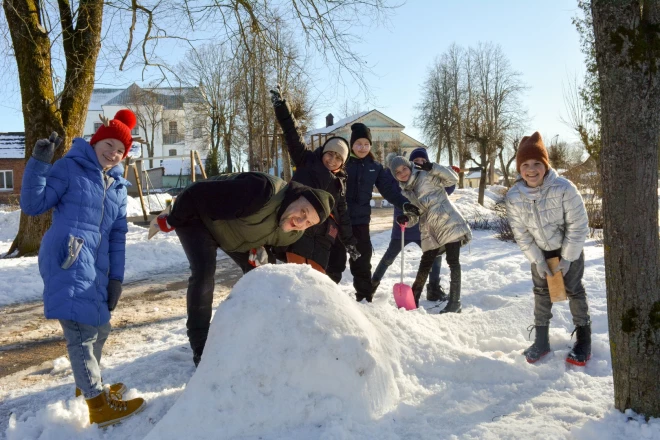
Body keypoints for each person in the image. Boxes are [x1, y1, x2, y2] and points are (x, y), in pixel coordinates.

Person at [20, 110, 146, 428]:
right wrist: (39, 163)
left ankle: (88, 385)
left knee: (100, 328)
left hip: (98, 268)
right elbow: (33, 205)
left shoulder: (117, 186)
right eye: (110, 144)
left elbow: (117, 237)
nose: (114, 152)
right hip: (68, 260)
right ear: (97, 140)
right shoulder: (70, 168)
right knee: (82, 333)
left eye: (121, 149)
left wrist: (116, 278)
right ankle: (97, 404)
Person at [153, 171, 334, 366]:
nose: (300, 222)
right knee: (204, 272)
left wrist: (261, 252)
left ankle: (259, 335)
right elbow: (195, 193)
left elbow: (274, 247)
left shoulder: (294, 233)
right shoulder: (262, 191)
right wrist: (172, 219)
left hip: (234, 234)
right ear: (297, 196)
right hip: (197, 216)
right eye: (303, 212)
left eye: (308, 223)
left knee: (266, 275)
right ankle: (201, 348)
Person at [505, 132, 591, 365]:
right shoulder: (514, 196)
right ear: (519, 168)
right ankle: (541, 341)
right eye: (525, 164)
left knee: (573, 291)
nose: (531, 169)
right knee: (542, 294)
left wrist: (568, 258)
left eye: (537, 163)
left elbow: (579, 224)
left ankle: (584, 340)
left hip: (567, 251)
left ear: (545, 165)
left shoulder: (564, 188)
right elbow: (521, 233)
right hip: (540, 253)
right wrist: (538, 260)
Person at [270, 87, 360, 272]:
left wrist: (350, 243)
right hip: (298, 228)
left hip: (321, 238)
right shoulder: (306, 160)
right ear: (323, 152)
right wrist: (282, 108)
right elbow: (292, 134)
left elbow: (342, 215)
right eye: (330, 154)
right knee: (295, 275)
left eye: (338, 158)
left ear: (342, 163)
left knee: (333, 269)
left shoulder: (339, 183)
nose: (332, 160)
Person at [326, 122, 408, 302]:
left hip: (361, 223)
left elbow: (388, 190)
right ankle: (326, 299)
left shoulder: (375, 167)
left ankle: (364, 299)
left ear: (370, 145)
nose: (362, 148)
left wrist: (405, 204)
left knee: (362, 262)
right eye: (358, 144)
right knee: (335, 261)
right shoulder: (343, 162)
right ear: (351, 144)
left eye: (366, 144)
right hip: (338, 220)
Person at [371, 148, 460, 302]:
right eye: (416, 161)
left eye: (423, 161)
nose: (419, 163)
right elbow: (386, 178)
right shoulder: (398, 181)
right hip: (403, 229)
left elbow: (446, 189)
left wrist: (447, 171)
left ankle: (433, 289)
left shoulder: (428, 179)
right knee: (388, 258)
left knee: (435, 258)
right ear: (411, 163)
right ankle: (371, 286)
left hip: (424, 230)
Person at [389, 155, 472, 312]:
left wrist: (433, 167)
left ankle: (455, 302)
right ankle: (413, 298)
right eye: (397, 172)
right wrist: (406, 217)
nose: (402, 173)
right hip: (430, 230)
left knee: (453, 261)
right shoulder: (406, 191)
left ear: (410, 166)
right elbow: (415, 216)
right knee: (425, 263)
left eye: (404, 168)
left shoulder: (426, 174)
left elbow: (452, 179)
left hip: (448, 222)